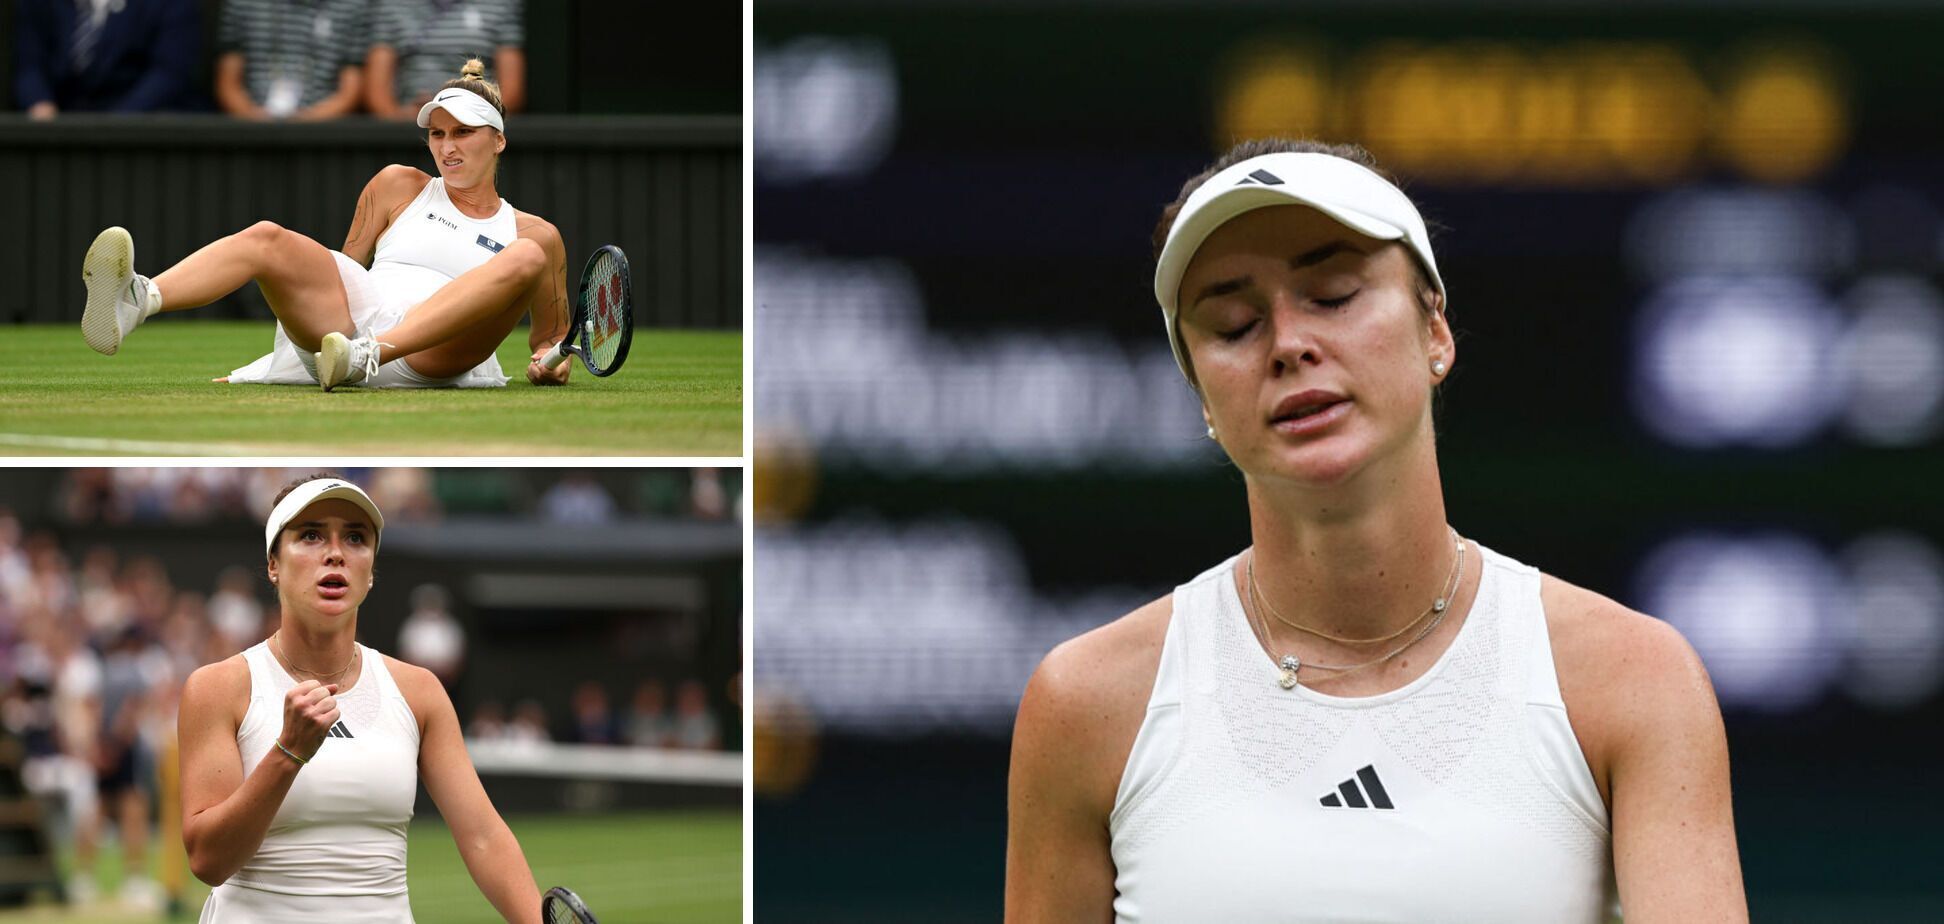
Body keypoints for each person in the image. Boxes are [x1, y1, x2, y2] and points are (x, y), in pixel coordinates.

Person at [1004, 140, 1748, 922]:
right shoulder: (1086, 706)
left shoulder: (1633, 679)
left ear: (1436, 330)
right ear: (1203, 403)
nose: (1290, 343)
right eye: (1233, 324)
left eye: (1332, 295)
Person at [177, 473, 543, 922]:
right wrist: (288, 752)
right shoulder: (218, 687)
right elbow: (208, 861)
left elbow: (483, 836)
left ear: (370, 572)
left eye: (355, 538)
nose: (334, 553)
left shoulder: (419, 691)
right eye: (310, 535)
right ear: (273, 563)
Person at [79, 59, 571, 391]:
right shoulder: (397, 183)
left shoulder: (535, 234)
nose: (447, 147)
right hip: (351, 336)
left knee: (528, 255)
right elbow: (337, 275)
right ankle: (137, 301)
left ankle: (368, 354)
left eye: (463, 133)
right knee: (268, 237)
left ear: (499, 141)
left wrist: (553, 362)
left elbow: (550, 340)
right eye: (437, 134)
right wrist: (270, 367)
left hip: (432, 355)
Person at [13, 0, 201, 119]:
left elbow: (168, 74)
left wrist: (111, 124)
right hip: (61, 124)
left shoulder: (169, 4)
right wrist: (41, 106)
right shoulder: (40, 4)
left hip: (139, 127)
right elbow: (29, 63)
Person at [364, 1, 525, 120]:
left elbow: (511, 91)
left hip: (478, 121)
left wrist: (473, 117)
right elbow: (377, 92)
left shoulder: (501, 4)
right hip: (409, 126)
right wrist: (401, 118)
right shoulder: (392, 5)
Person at [214, 0, 370, 121]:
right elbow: (229, 82)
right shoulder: (242, 3)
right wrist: (255, 118)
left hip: (324, 133)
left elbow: (350, 90)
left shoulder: (352, 6)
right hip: (249, 130)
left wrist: (305, 122)